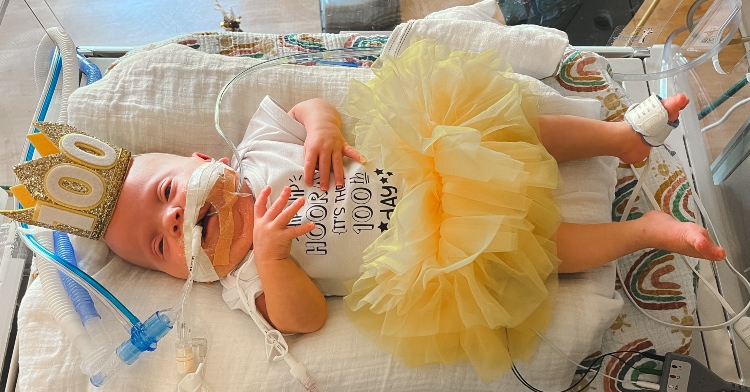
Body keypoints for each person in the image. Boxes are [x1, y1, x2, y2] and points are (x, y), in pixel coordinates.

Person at [9, 41, 724, 381]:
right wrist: (273, 255)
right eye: (161, 246)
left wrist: (321, 129)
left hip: (426, 156)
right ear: (181, 276)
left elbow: (311, 104)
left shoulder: (255, 146)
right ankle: (642, 231)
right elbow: (307, 320)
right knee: (543, 251)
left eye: (166, 199)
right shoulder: (241, 280)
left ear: (203, 165)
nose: (172, 224)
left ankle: (617, 137)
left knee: (507, 126)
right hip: (437, 242)